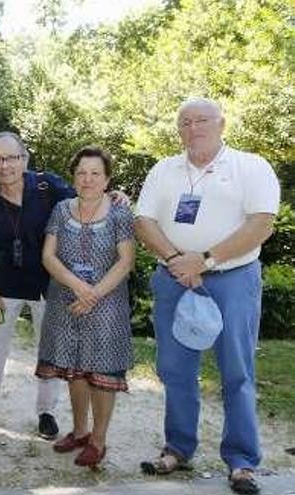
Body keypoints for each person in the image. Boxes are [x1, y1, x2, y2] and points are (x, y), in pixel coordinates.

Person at [136, 97, 279, 495]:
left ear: (221, 123)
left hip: (232, 278)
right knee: (175, 369)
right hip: (175, 277)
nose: (193, 127)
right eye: (185, 122)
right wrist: (179, 260)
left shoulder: (251, 167)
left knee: (237, 371)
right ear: (178, 129)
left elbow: (262, 223)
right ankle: (178, 448)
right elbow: (143, 221)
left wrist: (208, 260)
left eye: (202, 120)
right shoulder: (164, 170)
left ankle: (241, 461)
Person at [0, 132, 73, 438]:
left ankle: (47, 412)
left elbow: (84, 206)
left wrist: (113, 197)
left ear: (24, 159)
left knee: (49, 348)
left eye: (11, 157)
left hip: (49, 284)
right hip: (5, 284)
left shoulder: (47, 186)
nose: (5, 165)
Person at [36, 146, 135, 469]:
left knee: (101, 372)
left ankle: (98, 440)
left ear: (107, 179)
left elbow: (126, 260)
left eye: (95, 173)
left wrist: (93, 294)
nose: (88, 179)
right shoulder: (62, 210)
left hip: (107, 305)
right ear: (73, 177)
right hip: (66, 300)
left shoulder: (120, 212)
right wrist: (78, 287)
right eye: (81, 173)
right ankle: (79, 431)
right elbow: (48, 256)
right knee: (74, 370)